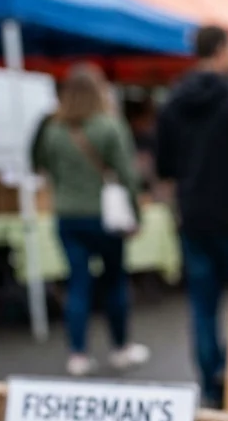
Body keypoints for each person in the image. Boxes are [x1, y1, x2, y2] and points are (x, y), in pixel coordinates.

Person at [156, 25, 228, 406]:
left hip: (193, 216)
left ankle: (211, 380)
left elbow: (163, 165)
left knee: (202, 305)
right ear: (222, 50)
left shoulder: (173, 102)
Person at [32, 64, 148, 378]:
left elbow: (39, 164)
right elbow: (127, 174)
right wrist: (136, 215)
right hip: (105, 217)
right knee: (114, 282)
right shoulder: (109, 126)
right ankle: (120, 347)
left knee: (78, 284)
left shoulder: (52, 129)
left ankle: (78, 354)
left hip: (67, 215)